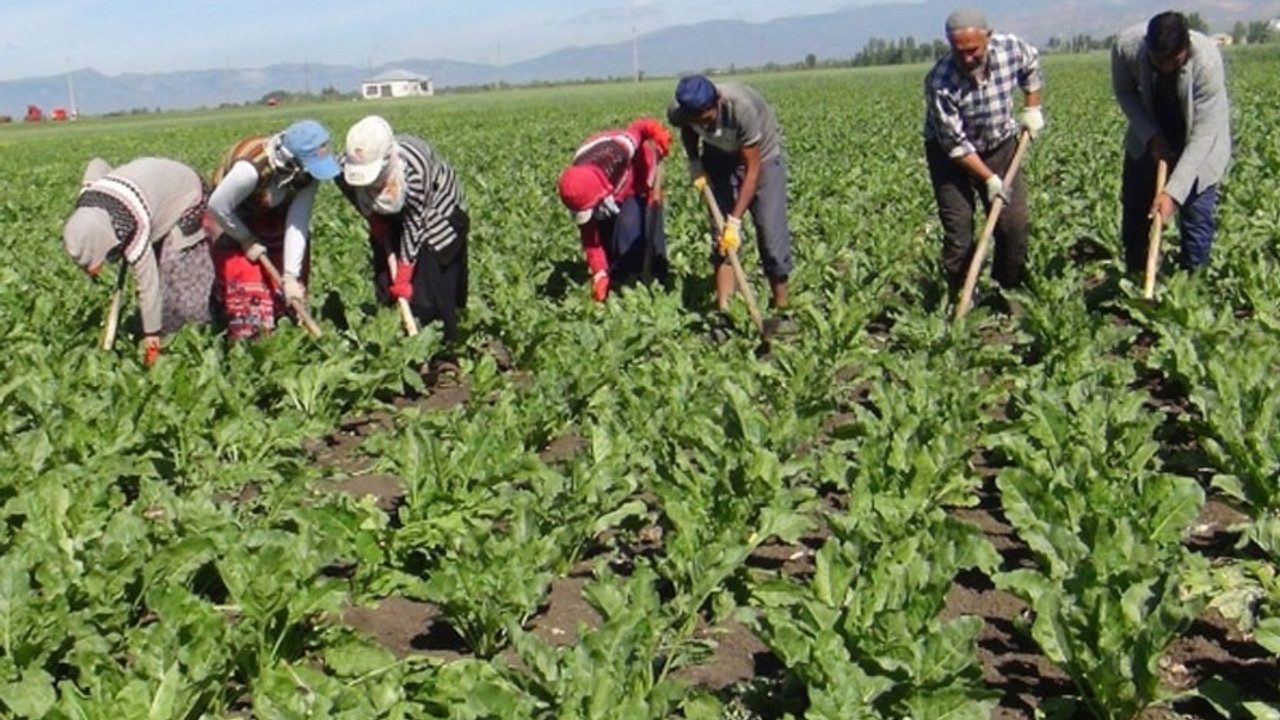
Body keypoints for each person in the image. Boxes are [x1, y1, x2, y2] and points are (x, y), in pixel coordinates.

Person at [923, 8, 1044, 304]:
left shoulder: (1011, 49)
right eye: (958, 51)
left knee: (1012, 224)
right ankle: (961, 293)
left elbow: (1032, 66)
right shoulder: (940, 81)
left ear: (988, 38)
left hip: (1000, 144)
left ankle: (1007, 289)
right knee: (959, 229)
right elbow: (955, 145)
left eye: (973, 50)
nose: (966, 59)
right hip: (951, 156)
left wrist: (1031, 107)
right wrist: (989, 179)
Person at [336, 115, 470, 375]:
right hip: (388, 214)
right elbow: (350, 190)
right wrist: (373, 219)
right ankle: (400, 350)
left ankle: (442, 356)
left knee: (430, 283)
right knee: (386, 280)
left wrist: (406, 273)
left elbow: (414, 224)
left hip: (436, 214)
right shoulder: (347, 167)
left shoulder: (413, 168)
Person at [667, 74, 794, 338]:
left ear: (717, 101)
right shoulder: (681, 113)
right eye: (697, 119)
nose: (703, 123)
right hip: (718, 157)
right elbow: (688, 131)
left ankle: (783, 311)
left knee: (771, 235)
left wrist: (735, 221)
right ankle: (726, 315)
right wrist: (695, 162)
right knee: (722, 240)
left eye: (707, 118)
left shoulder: (740, 108)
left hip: (761, 160)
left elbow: (752, 169)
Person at [62, 156, 216, 365]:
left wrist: (151, 336)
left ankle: (191, 339)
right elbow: (97, 164)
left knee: (176, 276)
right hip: (152, 190)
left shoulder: (136, 225)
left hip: (186, 192)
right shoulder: (89, 197)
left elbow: (148, 285)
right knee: (158, 268)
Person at [1112, 11, 1231, 274]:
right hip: (1148, 132)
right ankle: (1137, 277)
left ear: (1185, 47)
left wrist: (1171, 194)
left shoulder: (1207, 62)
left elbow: (1203, 137)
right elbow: (1125, 93)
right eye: (1158, 61)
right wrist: (1152, 136)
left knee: (1196, 217)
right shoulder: (1126, 48)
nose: (1165, 68)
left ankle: (1191, 286)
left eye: (1173, 61)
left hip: (1198, 138)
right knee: (1136, 214)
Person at [207, 119, 340, 340]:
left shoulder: (307, 174)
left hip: (274, 216)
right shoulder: (249, 170)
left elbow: (297, 222)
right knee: (246, 290)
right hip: (232, 217)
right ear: (292, 160)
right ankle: (246, 346)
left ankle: (283, 336)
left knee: (287, 293)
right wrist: (245, 238)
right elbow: (218, 207)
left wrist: (290, 276)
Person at [556, 117, 672, 301]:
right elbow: (590, 239)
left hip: (637, 175)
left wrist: (656, 132)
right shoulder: (578, 188)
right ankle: (619, 282)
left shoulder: (620, 151)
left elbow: (640, 127)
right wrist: (599, 274)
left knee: (633, 225)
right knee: (606, 234)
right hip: (603, 184)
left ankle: (655, 280)